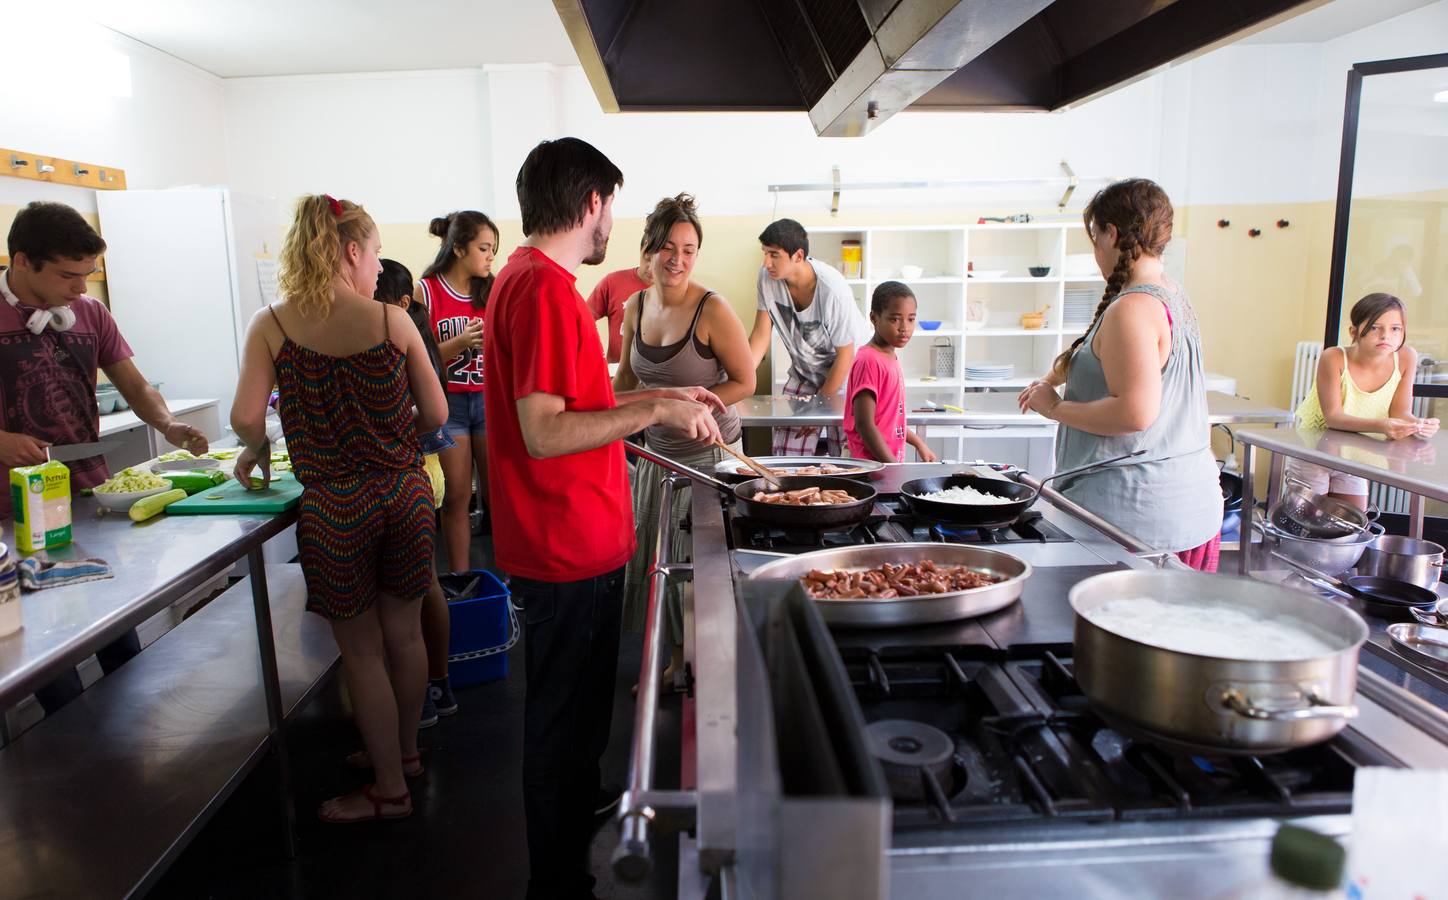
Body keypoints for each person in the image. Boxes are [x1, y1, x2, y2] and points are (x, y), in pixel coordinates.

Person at [483, 137, 723, 900]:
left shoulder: (522, 279)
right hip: (565, 547)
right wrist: (653, 403)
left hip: (566, 541)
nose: (611, 222)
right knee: (560, 727)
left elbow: (576, 404)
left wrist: (670, 401)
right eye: (609, 205)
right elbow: (544, 430)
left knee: (577, 723)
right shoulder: (548, 290)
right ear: (590, 203)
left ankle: (567, 837)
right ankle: (556, 881)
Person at [231, 194, 447, 823]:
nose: (380, 268)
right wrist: (387, 431)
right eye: (376, 253)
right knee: (405, 636)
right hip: (405, 494)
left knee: (362, 652)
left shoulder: (271, 324)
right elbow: (434, 416)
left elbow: (247, 417)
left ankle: (387, 789)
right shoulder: (392, 322)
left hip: (334, 507)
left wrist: (255, 448)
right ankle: (403, 756)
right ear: (350, 250)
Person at [0, 201, 209, 713]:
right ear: (22, 261)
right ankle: (69, 749)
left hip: (90, 497)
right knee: (48, 648)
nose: (81, 288)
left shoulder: (90, 314)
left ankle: (128, 733)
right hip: (11, 513)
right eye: (70, 276)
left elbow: (134, 384)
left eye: (88, 275)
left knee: (112, 624)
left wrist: (168, 423)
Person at [1018, 178, 1223, 571]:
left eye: (1095, 239)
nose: (1096, 252)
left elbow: (1133, 414)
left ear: (1111, 233)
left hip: (1136, 521)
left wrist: (1055, 408)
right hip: (1188, 508)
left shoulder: (1131, 309)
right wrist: (1054, 376)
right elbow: (1107, 358)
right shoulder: (1172, 294)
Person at [614, 193, 753, 678]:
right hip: (658, 457)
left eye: (689, 249)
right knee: (660, 562)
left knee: (695, 569)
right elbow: (626, 384)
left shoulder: (711, 308)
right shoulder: (634, 305)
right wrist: (603, 421)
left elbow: (745, 380)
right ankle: (675, 663)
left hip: (710, 459)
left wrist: (700, 401)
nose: (678, 259)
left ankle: (703, 667)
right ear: (649, 250)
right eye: (668, 247)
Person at [374, 259, 460, 726]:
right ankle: (438, 684)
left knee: (419, 590)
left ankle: (426, 691)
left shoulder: (401, 338)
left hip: (416, 476)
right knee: (425, 584)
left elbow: (428, 415)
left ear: (401, 303)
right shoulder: (417, 337)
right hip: (424, 475)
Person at [1289, 293, 1438, 509]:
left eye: (1395, 328)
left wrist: (1417, 425)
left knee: (1352, 524)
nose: (1386, 336)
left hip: (1356, 451)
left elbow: (1400, 411)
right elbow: (1333, 418)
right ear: (1354, 332)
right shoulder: (1334, 357)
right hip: (1314, 448)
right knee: (1308, 522)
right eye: (1375, 328)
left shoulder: (1406, 357)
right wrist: (1381, 425)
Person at [747, 218, 871, 456]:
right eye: (765, 253)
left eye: (774, 255)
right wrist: (741, 378)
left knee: (844, 457)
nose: (766, 262)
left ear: (798, 256)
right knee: (786, 455)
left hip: (848, 376)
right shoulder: (766, 278)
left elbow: (846, 356)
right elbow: (760, 335)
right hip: (806, 372)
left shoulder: (832, 289)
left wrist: (818, 411)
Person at [419, 210, 499, 571]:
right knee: (456, 497)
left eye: (493, 249)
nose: (490, 257)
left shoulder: (493, 288)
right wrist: (459, 342)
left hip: (488, 399)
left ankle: (510, 582)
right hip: (447, 403)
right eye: (484, 248)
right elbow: (417, 357)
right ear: (459, 249)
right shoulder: (427, 290)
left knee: (499, 495)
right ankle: (460, 579)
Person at [844, 281, 937, 463]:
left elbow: (892, 420)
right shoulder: (869, 360)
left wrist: (919, 443)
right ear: (874, 318)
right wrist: (894, 467)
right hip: (869, 467)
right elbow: (864, 425)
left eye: (910, 319)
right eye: (895, 319)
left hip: (885, 466)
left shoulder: (890, 357)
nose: (904, 327)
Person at [586, 245, 652, 364]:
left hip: (658, 377)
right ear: (642, 249)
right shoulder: (613, 282)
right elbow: (582, 321)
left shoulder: (678, 292)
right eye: (648, 258)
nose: (651, 268)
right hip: (615, 373)